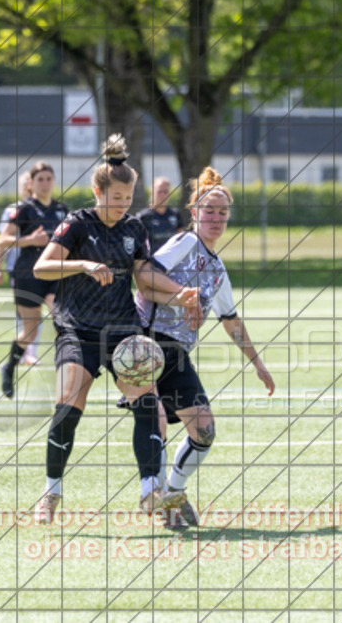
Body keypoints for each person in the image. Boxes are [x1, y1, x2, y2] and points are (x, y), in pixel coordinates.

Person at [30, 135, 199, 523]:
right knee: (68, 407)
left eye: (128, 198)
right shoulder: (76, 224)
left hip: (124, 332)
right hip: (77, 330)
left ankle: (149, 492)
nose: (123, 205)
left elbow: (144, 280)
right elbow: (42, 268)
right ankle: (51, 490)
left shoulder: (134, 229)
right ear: (97, 191)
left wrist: (178, 298)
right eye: (116, 197)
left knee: (147, 403)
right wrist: (83, 265)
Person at [133, 166, 275, 529]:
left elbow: (231, 320)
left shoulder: (218, 269)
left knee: (204, 431)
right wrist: (182, 297)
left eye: (222, 212)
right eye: (208, 210)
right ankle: (155, 495)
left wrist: (258, 364)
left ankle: (173, 494)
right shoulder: (186, 243)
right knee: (158, 422)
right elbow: (145, 275)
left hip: (178, 355)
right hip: (150, 344)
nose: (215, 217)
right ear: (194, 213)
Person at [0, 165, 68, 380]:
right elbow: (3, 240)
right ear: (32, 183)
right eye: (40, 179)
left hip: (54, 274)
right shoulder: (23, 209)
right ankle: (9, 367)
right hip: (27, 275)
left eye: (48, 178)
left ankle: (67, 370)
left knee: (62, 321)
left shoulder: (62, 210)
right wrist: (31, 240)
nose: (45, 183)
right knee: (30, 331)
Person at [0, 172, 37, 364]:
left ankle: (31, 352)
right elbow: (1, 242)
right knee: (25, 312)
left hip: (42, 269)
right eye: (26, 183)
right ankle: (22, 353)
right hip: (19, 269)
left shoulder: (50, 210)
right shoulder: (13, 210)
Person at [137, 177, 183, 254]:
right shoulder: (143, 216)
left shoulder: (175, 214)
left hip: (172, 260)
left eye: (166, 192)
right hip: (152, 261)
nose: (162, 195)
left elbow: (181, 240)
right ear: (152, 193)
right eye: (159, 191)